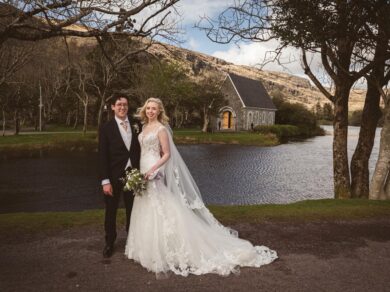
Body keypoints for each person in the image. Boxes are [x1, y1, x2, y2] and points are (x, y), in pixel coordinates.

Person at [125, 97, 277, 277]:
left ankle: (167, 250)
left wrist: (154, 170)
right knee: (145, 206)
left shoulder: (161, 129)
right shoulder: (143, 128)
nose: (150, 111)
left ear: (159, 111)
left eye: (154, 109)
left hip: (153, 170)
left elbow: (166, 154)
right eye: (148, 108)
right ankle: (146, 249)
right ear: (145, 110)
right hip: (142, 169)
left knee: (160, 206)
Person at [98, 95, 141, 258]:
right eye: (119, 104)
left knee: (133, 209)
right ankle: (110, 241)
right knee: (111, 211)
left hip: (133, 175)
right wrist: (105, 181)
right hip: (113, 176)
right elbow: (102, 156)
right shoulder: (106, 128)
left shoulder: (137, 125)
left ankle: (132, 239)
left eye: (125, 104)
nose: (122, 107)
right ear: (113, 107)